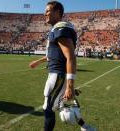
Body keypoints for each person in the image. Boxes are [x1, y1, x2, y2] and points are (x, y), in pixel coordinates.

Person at [29, 1, 95, 131]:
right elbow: (53, 55)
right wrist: (38, 62)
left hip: (58, 75)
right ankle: (86, 127)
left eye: (48, 11)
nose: (45, 13)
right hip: (58, 74)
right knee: (62, 106)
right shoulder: (57, 29)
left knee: (48, 108)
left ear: (57, 12)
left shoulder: (61, 28)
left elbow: (70, 56)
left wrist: (70, 86)